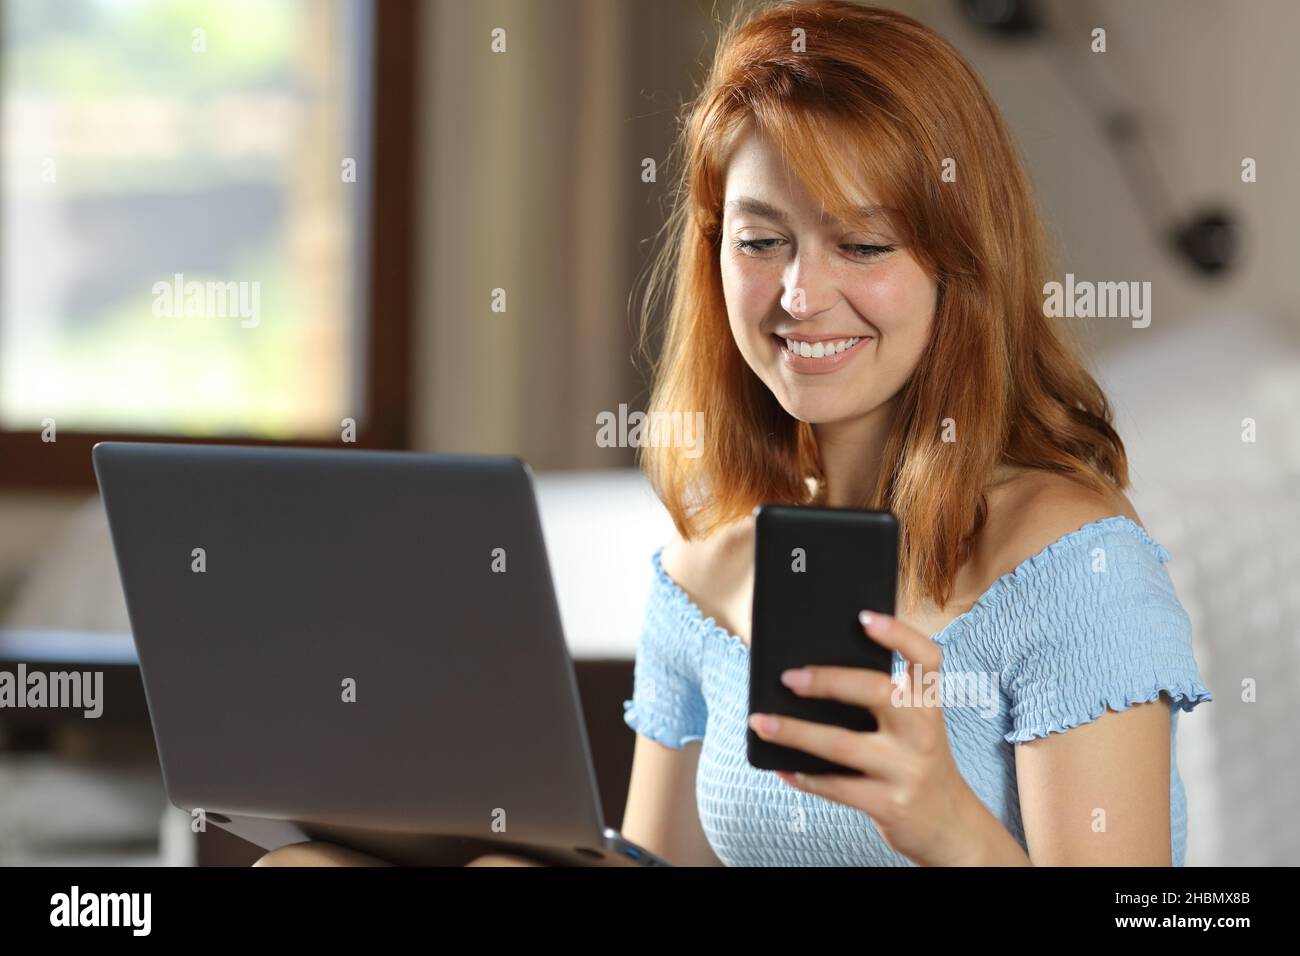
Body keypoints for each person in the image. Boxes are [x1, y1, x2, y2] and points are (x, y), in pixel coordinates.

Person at [257, 0, 1211, 867]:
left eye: (863, 244)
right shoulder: (706, 570)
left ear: (961, 261)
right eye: (761, 241)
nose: (800, 295)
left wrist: (946, 825)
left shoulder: (1069, 562)